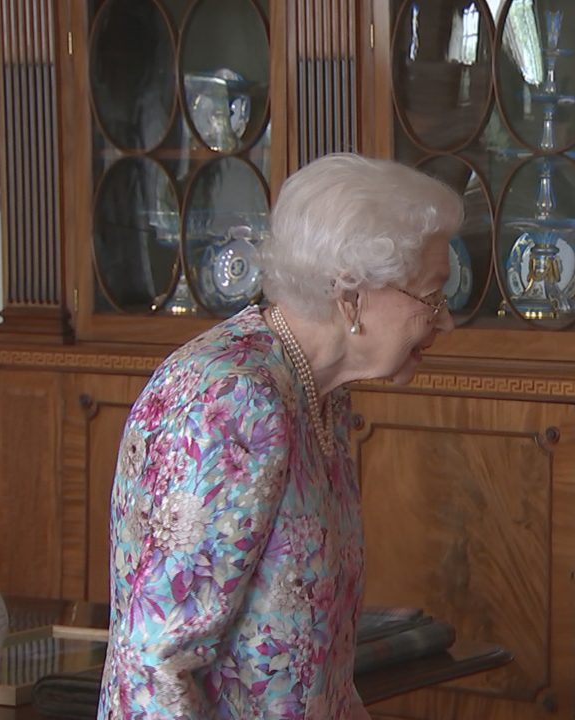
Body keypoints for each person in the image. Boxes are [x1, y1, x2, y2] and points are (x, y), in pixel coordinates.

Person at [98, 153, 463, 719]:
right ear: (351, 295)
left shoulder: (319, 394)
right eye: (432, 295)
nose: (444, 320)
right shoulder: (233, 401)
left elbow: (319, 664)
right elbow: (155, 661)